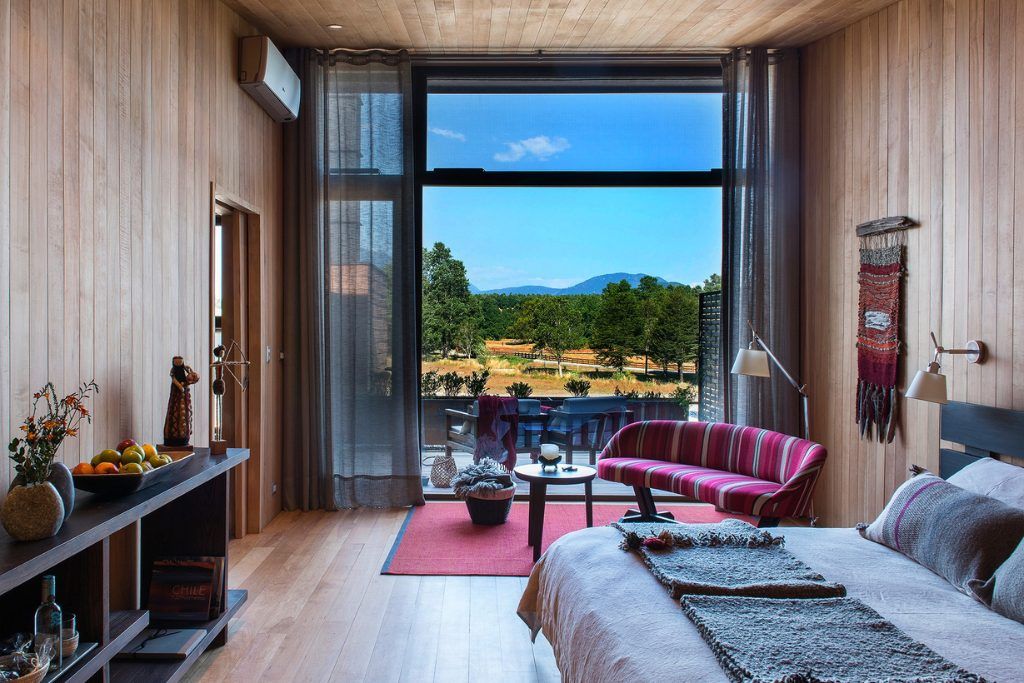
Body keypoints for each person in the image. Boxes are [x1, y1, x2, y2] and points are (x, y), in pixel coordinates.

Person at [163, 356, 200, 447]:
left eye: (180, 362)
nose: (178, 363)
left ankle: (183, 438)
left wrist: (190, 373)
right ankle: (171, 438)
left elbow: (189, 372)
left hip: (183, 393)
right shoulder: (174, 371)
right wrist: (179, 386)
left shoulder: (186, 373)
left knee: (184, 413)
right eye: (176, 362)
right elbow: (173, 378)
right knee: (174, 412)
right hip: (176, 392)